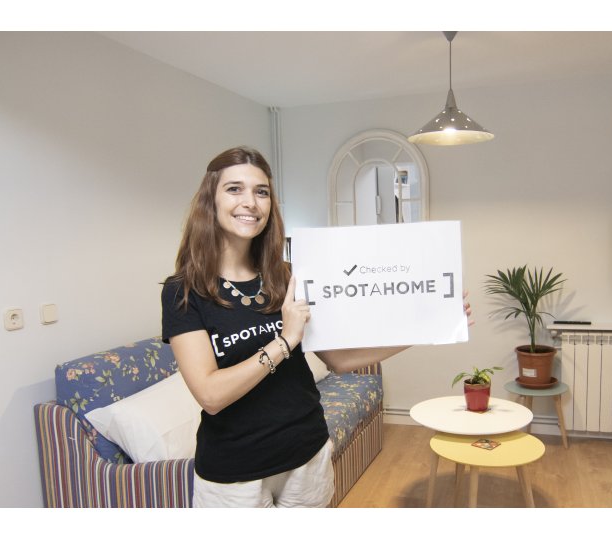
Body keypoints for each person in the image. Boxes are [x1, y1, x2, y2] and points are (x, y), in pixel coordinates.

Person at [161, 146, 471, 508]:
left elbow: (339, 359)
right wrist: (284, 341)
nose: (250, 203)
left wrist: (428, 328)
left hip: (307, 456)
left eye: (261, 192)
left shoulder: (287, 277)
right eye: (234, 189)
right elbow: (211, 396)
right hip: (234, 473)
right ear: (210, 200)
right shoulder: (184, 291)